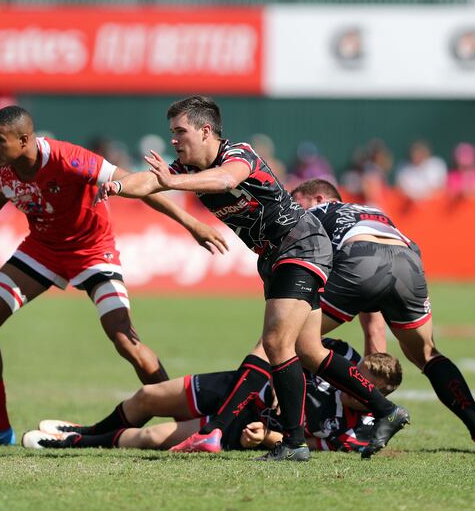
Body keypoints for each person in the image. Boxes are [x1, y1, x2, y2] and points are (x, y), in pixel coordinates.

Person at [96, 96, 409, 461]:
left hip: (300, 245)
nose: (175, 140)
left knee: (275, 344)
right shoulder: (183, 169)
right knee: (305, 349)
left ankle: (294, 442)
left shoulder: (238, 154)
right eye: (172, 133)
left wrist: (173, 182)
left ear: (205, 130)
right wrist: (116, 187)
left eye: (180, 131)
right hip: (277, 258)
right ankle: (384, 410)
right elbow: (148, 182)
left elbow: (225, 180)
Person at [0, 105, 228, 446]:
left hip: (92, 251)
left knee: (124, 339)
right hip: (43, 250)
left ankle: (189, 427)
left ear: (25, 140)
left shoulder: (68, 159)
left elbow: (137, 184)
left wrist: (191, 222)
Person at [291, 178, 475, 453]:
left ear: (319, 198)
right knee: (427, 354)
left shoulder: (316, 214)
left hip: (361, 257)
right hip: (407, 259)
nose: (294, 209)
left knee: (288, 338)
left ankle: (286, 432)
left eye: (297, 202)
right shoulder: (373, 211)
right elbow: (374, 324)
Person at [22, 339, 403, 454]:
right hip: (239, 386)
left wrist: (267, 437)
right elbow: (288, 344)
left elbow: (322, 445)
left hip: (244, 424)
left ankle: (76, 442)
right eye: (358, 379)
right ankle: (88, 428)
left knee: (151, 437)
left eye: (368, 390)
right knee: (147, 396)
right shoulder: (340, 356)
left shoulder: (362, 427)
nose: (355, 388)